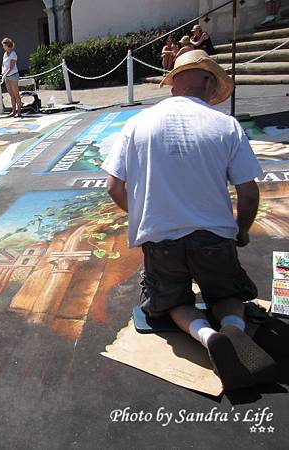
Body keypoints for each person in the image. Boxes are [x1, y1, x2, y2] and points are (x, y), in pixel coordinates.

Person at [102, 50, 278, 391]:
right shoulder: (226, 125)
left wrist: (144, 217)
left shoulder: (138, 122)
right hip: (213, 237)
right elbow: (249, 192)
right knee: (227, 294)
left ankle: (208, 337)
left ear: (175, 82)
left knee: (172, 303)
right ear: (208, 80)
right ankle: (232, 329)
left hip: (161, 241)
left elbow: (113, 186)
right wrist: (240, 232)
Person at [1, 37, 22, 118]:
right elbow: (3, 65)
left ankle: (19, 111)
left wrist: (6, 74)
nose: (3, 47)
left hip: (13, 75)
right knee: (11, 94)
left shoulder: (13, 54)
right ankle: (13, 111)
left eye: (3, 45)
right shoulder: (5, 54)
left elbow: (12, 66)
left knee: (16, 94)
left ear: (7, 45)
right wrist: (3, 72)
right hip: (6, 76)